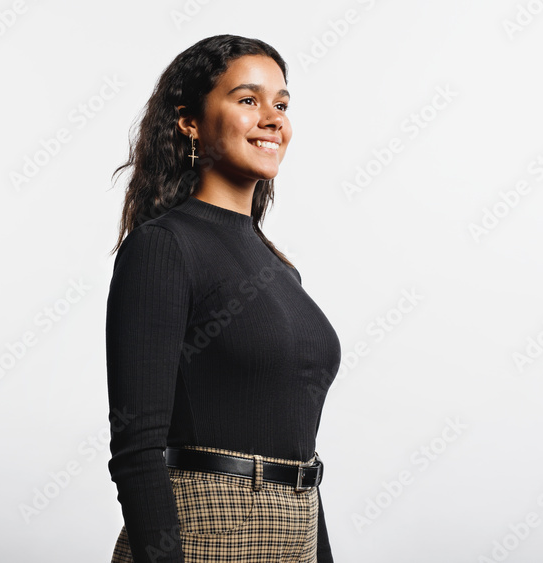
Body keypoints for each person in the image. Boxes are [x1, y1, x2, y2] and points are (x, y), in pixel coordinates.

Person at [104, 34, 342, 563]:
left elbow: (299, 444)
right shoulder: (163, 247)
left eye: (281, 103)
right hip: (206, 532)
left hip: (296, 529)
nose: (273, 117)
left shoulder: (278, 268)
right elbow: (136, 448)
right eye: (247, 99)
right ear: (189, 120)